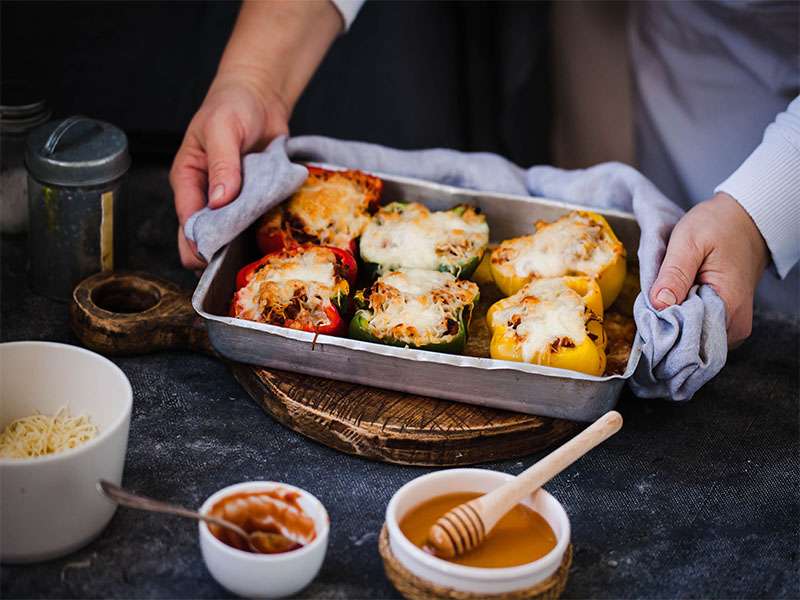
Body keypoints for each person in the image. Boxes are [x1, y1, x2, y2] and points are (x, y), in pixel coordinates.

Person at [170, 0, 800, 348]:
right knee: (675, 260)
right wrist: (253, 79)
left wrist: (760, 211)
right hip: (678, 36)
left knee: (762, 333)